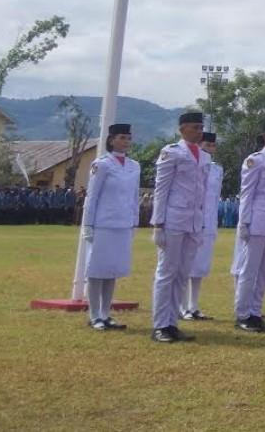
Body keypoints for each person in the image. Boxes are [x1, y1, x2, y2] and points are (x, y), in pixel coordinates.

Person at [150, 112, 211, 344]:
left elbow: (203, 192)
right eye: (195, 127)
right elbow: (161, 189)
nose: (199, 131)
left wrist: (202, 222)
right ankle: (160, 325)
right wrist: (157, 223)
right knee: (166, 272)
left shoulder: (204, 156)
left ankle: (172, 322)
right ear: (182, 129)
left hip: (193, 221)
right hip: (173, 219)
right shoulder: (172, 152)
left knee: (182, 274)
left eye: (201, 127)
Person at [81, 123, 139, 331]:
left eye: (128, 138)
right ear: (112, 139)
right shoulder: (102, 164)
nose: (126, 142)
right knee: (97, 270)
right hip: (103, 223)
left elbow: (134, 197)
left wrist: (134, 221)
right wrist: (88, 224)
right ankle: (94, 314)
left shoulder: (134, 166)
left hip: (122, 223)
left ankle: (106, 313)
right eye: (122, 137)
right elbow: (92, 196)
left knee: (112, 270)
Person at [233, 121, 265, 333]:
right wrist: (243, 223)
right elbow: (247, 193)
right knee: (248, 271)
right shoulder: (255, 160)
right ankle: (242, 313)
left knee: (264, 271)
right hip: (256, 221)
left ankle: (255, 311)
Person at [180, 131, 223, 321]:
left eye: (213, 146)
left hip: (209, 222)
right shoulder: (192, 164)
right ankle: (182, 306)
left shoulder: (216, 169)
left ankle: (194, 305)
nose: (211, 149)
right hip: (192, 220)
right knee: (186, 266)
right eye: (208, 145)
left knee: (200, 269)